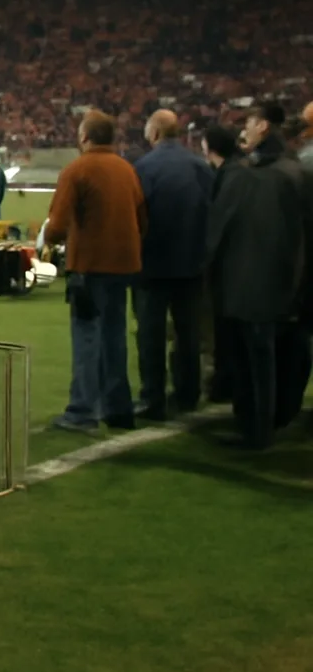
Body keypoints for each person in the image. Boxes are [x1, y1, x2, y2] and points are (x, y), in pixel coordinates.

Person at [207, 104, 307, 448]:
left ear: (263, 125)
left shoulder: (244, 174)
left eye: (249, 123)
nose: (244, 130)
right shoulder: (295, 171)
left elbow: (217, 232)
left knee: (253, 357)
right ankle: (269, 421)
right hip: (286, 283)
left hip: (244, 284)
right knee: (274, 354)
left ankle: (255, 427)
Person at [47, 111, 147, 433]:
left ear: (85, 137)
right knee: (114, 337)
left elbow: (57, 226)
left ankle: (82, 411)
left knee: (87, 338)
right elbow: (142, 218)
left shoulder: (77, 169)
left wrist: (49, 241)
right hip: (124, 264)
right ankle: (117, 407)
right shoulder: (126, 169)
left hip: (89, 266)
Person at [132, 110, 213, 420]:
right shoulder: (200, 167)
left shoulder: (145, 168)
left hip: (153, 265)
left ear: (154, 133)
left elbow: (137, 219)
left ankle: (152, 397)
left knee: (150, 335)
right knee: (188, 332)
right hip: (192, 264)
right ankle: (188, 393)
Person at [201, 124, 244, 403]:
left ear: (210, 148)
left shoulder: (230, 177)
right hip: (237, 267)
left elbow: (218, 227)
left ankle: (226, 386)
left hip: (229, 269)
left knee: (225, 332)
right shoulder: (236, 173)